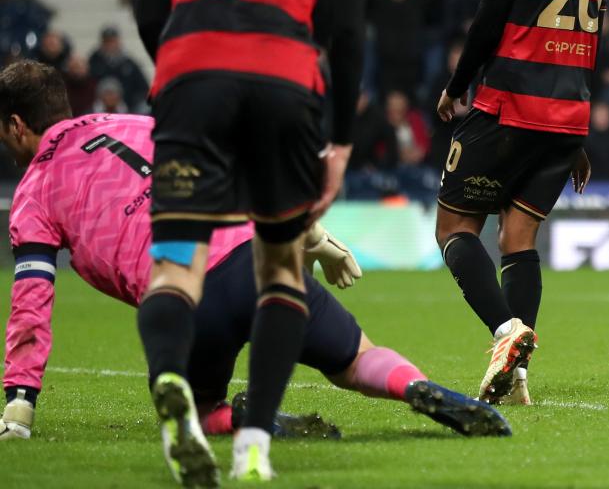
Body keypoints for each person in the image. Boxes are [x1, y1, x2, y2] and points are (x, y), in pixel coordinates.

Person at [0, 61, 510, 446]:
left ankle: (242, 418)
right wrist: (314, 237)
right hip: (258, 256)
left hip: (185, 294)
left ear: (17, 125)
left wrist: (20, 406)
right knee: (357, 359)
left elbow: (31, 303)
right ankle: (416, 387)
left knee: (194, 413)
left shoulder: (32, 195)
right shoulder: (130, 124)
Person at [131, 0, 371, 483]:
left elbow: (149, 10)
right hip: (286, 81)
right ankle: (254, 445)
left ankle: (171, 382)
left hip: (190, 78)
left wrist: (187, 68)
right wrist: (342, 139)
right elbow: (349, 30)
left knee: (177, 266)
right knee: (280, 268)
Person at [435, 0, 609, 406]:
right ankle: (516, 379)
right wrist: (579, 130)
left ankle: (506, 331)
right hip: (566, 117)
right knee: (519, 236)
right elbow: (591, 39)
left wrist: (457, 87)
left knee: (456, 229)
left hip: (508, 106)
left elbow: (489, 19)